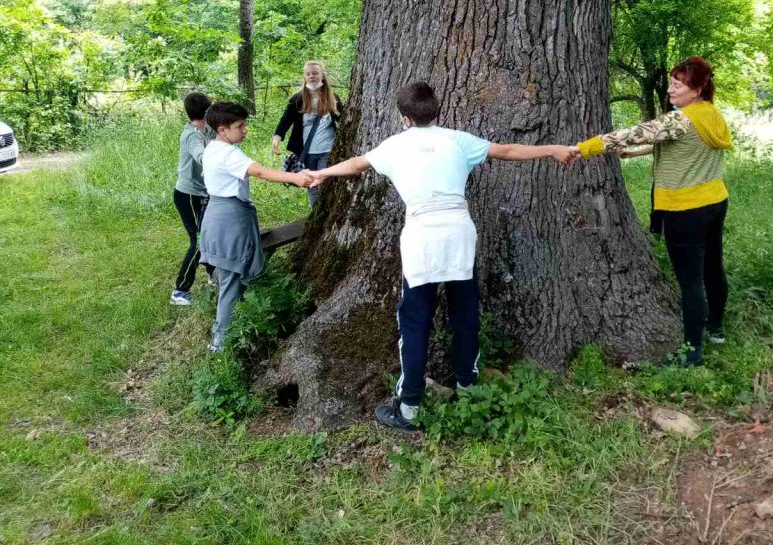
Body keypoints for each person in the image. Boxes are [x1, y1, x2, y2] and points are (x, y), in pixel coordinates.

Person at [308, 81, 577, 432]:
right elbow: (508, 150)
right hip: (459, 232)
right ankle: (467, 386)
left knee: (415, 321)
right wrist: (553, 148)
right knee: (464, 313)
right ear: (437, 109)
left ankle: (410, 408)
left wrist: (319, 173)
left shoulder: (395, 145)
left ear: (404, 117)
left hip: (422, 236)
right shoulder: (457, 140)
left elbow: (357, 164)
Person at [574, 57, 732, 367]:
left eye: (678, 84)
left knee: (691, 281)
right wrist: (633, 154)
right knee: (714, 266)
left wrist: (585, 148)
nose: (671, 89)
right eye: (672, 82)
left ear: (697, 89)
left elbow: (637, 132)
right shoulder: (710, 114)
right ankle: (716, 327)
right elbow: (674, 142)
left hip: (685, 208)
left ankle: (691, 353)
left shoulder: (680, 119)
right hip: (715, 201)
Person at [201, 102, 314, 352]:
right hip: (229, 218)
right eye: (239, 126)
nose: (245, 130)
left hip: (218, 215)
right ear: (222, 129)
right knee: (231, 278)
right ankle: (219, 343)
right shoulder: (228, 154)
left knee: (228, 276)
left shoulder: (213, 149)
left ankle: (230, 326)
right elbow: (260, 172)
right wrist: (295, 177)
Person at [271, 61, 345, 207]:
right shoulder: (298, 98)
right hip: (307, 151)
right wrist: (277, 138)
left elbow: (342, 119)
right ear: (304, 76)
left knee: (325, 183)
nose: (312, 76)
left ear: (322, 75)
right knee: (312, 185)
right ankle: (316, 215)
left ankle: (328, 213)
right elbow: (286, 120)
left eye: (315, 73)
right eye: (308, 74)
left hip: (327, 150)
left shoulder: (332, 97)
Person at [171, 92, 217, 306]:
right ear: (207, 111)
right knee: (198, 242)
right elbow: (201, 156)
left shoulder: (207, 129)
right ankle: (179, 291)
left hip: (203, 194)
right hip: (188, 196)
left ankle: (214, 278)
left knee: (208, 236)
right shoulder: (192, 135)